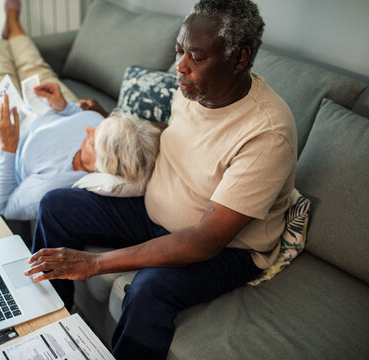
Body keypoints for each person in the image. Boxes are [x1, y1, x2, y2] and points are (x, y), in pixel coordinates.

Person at [25, 0, 297, 359]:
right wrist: (110, 121)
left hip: (227, 250)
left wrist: (94, 264)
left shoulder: (267, 133)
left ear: (239, 58)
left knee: (148, 288)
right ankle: (46, 332)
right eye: (179, 51)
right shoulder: (194, 89)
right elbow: (176, 136)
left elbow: (205, 241)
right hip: (154, 211)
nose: (180, 66)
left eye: (195, 57)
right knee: (56, 206)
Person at [0, 0, 161, 220]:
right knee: (35, 65)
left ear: (98, 168)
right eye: (98, 127)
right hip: (45, 110)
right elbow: (81, 117)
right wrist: (65, 106)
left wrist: (8, 146)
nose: (89, 129)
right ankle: (13, 22)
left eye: (92, 140)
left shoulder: (54, 186)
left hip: (2, 138)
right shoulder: (97, 127)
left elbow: (6, 206)